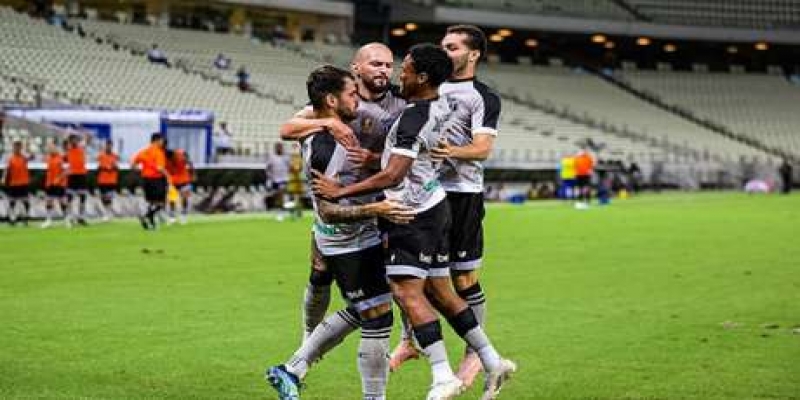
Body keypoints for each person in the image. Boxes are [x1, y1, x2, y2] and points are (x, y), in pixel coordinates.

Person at [313, 43, 516, 400]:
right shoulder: (438, 106)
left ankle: (442, 375)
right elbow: (402, 161)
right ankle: (491, 358)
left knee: (406, 292)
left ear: (421, 77)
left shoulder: (413, 116)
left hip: (412, 214)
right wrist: (376, 157)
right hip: (435, 205)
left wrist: (340, 192)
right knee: (440, 291)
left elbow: (393, 176)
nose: (398, 75)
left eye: (404, 69)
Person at [265, 65, 414, 400]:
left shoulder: (324, 126)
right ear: (332, 100)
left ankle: (294, 368)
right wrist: (375, 209)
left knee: (370, 308)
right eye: (351, 95)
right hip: (347, 240)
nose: (357, 102)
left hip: (354, 236)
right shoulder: (327, 146)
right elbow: (328, 208)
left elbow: (290, 127)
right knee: (376, 318)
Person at [390, 24, 502, 388]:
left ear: (473, 54)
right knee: (413, 275)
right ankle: (409, 341)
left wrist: (448, 151)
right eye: (443, 45)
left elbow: (483, 148)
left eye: (453, 47)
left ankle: (474, 355)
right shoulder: (427, 87)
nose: (446, 51)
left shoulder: (482, 96)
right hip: (426, 193)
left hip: (462, 193)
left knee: (463, 278)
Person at [279, 42, 406, 344]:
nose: (383, 70)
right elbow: (286, 129)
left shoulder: (402, 102)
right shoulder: (336, 101)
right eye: (375, 64)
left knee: (397, 281)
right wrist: (326, 123)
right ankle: (308, 339)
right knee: (320, 274)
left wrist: (374, 160)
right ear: (356, 68)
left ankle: (408, 341)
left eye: (388, 65)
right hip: (333, 200)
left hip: (377, 199)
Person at [131, 133, 168, 230]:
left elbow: (133, 164)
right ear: (157, 140)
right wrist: (167, 175)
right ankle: (146, 216)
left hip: (146, 180)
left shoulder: (144, 151)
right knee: (161, 203)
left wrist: (139, 172)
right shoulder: (158, 152)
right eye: (161, 140)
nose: (163, 142)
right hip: (157, 179)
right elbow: (160, 168)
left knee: (151, 202)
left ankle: (151, 223)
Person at [41, 140, 70, 228]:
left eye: (52, 147)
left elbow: (67, 170)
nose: (50, 149)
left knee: (62, 202)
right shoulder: (48, 158)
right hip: (50, 183)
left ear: (56, 148)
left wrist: (59, 178)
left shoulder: (62, 157)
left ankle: (66, 220)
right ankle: (49, 220)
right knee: (49, 201)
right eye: (49, 147)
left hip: (60, 184)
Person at [2, 141, 31, 226]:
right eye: (15, 147)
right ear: (13, 148)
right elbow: (6, 169)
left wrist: (27, 148)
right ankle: (12, 218)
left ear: (21, 148)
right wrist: (3, 178)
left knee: (25, 201)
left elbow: (31, 156)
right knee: (12, 202)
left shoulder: (24, 157)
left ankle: (25, 218)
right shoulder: (10, 158)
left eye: (19, 147)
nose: (17, 148)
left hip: (23, 182)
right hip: (14, 183)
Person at [65, 134, 89, 225]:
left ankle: (81, 217)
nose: (74, 141)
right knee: (70, 197)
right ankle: (69, 216)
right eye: (72, 140)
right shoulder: (69, 149)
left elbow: (87, 139)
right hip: (72, 175)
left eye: (75, 140)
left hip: (81, 175)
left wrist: (83, 132)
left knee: (83, 197)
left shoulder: (81, 148)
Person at [166, 147, 194, 224]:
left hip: (184, 180)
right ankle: (172, 216)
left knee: (184, 198)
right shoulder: (165, 159)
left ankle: (183, 215)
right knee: (172, 199)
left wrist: (192, 174)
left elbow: (190, 163)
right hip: (172, 181)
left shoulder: (181, 155)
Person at [96, 140, 119, 222]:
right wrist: (106, 167)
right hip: (102, 180)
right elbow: (99, 167)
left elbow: (116, 167)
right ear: (105, 146)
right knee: (103, 197)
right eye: (107, 145)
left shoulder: (115, 156)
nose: (109, 147)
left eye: (110, 145)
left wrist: (113, 167)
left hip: (112, 180)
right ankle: (107, 213)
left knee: (109, 197)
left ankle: (108, 213)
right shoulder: (101, 155)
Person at [265, 142, 290, 214]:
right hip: (275, 179)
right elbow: (267, 168)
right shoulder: (272, 157)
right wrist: (270, 176)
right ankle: (279, 207)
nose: (280, 149)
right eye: (278, 147)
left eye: (281, 147)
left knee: (281, 192)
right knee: (277, 194)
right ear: (275, 148)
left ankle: (282, 208)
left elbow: (289, 166)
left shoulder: (286, 157)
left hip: (284, 179)